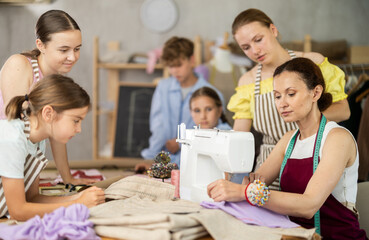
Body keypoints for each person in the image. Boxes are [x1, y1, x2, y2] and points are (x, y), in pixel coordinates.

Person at [207, 58, 367, 239]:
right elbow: (255, 184)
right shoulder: (288, 140)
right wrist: (241, 185)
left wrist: (243, 192)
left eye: (290, 94)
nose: (282, 103)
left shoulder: (337, 138)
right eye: (277, 96)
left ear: (315, 93)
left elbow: (308, 206)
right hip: (296, 236)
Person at [227, 8, 350, 188]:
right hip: (267, 170)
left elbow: (344, 110)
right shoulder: (248, 81)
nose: (255, 50)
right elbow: (240, 136)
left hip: (311, 156)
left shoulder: (313, 63)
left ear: (273, 30)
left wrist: (306, 119)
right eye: (246, 47)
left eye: (258, 39)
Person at [0, 10, 96, 185]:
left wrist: (68, 179)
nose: (72, 57)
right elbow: (16, 127)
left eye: (77, 49)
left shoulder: (59, 80)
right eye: (64, 50)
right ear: (41, 45)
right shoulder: (19, 65)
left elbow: (56, 133)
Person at [0, 74, 105, 221]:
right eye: (76, 121)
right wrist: (77, 204)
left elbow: (32, 198)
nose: (79, 129)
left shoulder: (38, 141)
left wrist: (77, 197)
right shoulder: (13, 138)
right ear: (48, 113)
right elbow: (18, 210)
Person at [138, 37, 224, 170]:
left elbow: (214, 135)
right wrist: (151, 158)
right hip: (163, 161)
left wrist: (181, 143)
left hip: (195, 164)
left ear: (192, 60)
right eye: (170, 66)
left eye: (178, 65)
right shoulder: (163, 87)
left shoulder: (212, 94)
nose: (174, 71)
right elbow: (157, 127)